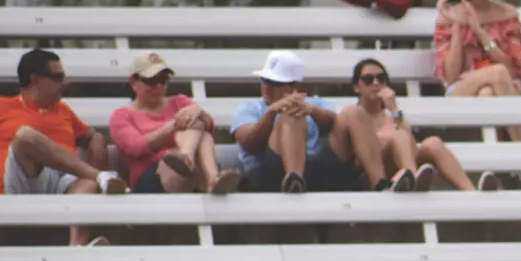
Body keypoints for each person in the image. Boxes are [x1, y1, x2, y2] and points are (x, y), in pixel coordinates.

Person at [0, 48, 127, 247]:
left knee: (86, 183)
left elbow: (89, 135)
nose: (64, 83)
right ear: (35, 79)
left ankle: (78, 246)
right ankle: (99, 176)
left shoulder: (62, 109)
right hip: (24, 182)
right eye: (57, 77)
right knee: (25, 136)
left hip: (62, 184)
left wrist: (97, 140)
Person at [435, 0, 521, 188]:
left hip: (504, 87)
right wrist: (458, 25)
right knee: (496, 73)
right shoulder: (449, 16)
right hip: (462, 88)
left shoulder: (507, 14)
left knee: (489, 91)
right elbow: (450, 75)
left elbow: (513, 68)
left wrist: (480, 32)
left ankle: (493, 175)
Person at [230, 51, 371, 194]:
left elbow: (333, 122)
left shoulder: (315, 103)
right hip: (269, 172)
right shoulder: (249, 107)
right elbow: (250, 144)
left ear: (295, 86)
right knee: (292, 114)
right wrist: (271, 113)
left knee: (354, 112)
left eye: (274, 82)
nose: (267, 87)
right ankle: (294, 178)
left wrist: (312, 111)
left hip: (318, 169)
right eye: (264, 80)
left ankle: (380, 183)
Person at [108, 52, 240, 196]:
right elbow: (136, 148)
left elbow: (209, 126)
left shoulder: (179, 101)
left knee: (200, 129)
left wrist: (198, 111)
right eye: (152, 81)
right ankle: (211, 177)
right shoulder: (122, 115)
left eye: (163, 80)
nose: (158, 86)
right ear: (134, 83)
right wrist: (174, 125)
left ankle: (198, 166)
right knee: (195, 130)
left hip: (193, 168)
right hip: (152, 175)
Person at [346, 58, 470, 193]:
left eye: (381, 78)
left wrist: (394, 109)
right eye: (368, 79)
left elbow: (409, 145)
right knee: (398, 136)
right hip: (373, 177)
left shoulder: (393, 116)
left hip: (400, 169)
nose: (376, 83)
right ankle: (412, 180)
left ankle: (471, 192)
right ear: (356, 87)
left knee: (433, 143)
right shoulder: (355, 118)